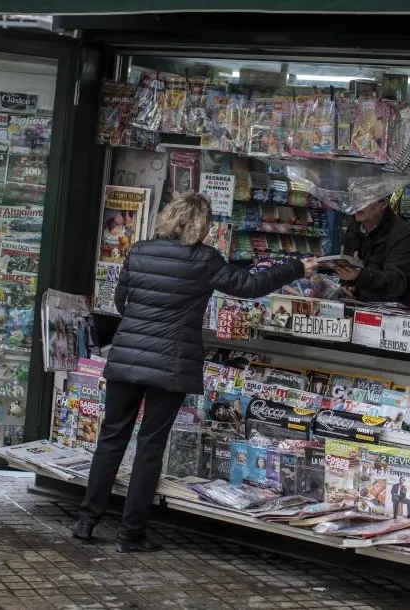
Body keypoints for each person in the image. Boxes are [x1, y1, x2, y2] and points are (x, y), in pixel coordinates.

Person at [74, 194, 317, 552]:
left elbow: (122, 302)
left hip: (126, 360)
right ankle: (131, 534)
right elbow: (249, 286)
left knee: (111, 440)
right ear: (202, 226)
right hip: (170, 364)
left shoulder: (139, 251)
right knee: (150, 447)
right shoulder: (204, 259)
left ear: (169, 218)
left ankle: (85, 522)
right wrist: (295, 268)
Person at [335, 198, 410, 305]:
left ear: (383, 204)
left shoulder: (401, 234)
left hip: (390, 311)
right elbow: (349, 273)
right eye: (355, 198)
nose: (357, 205)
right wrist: (347, 285)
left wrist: (360, 275)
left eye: (364, 199)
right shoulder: (354, 229)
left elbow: (397, 283)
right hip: (356, 306)